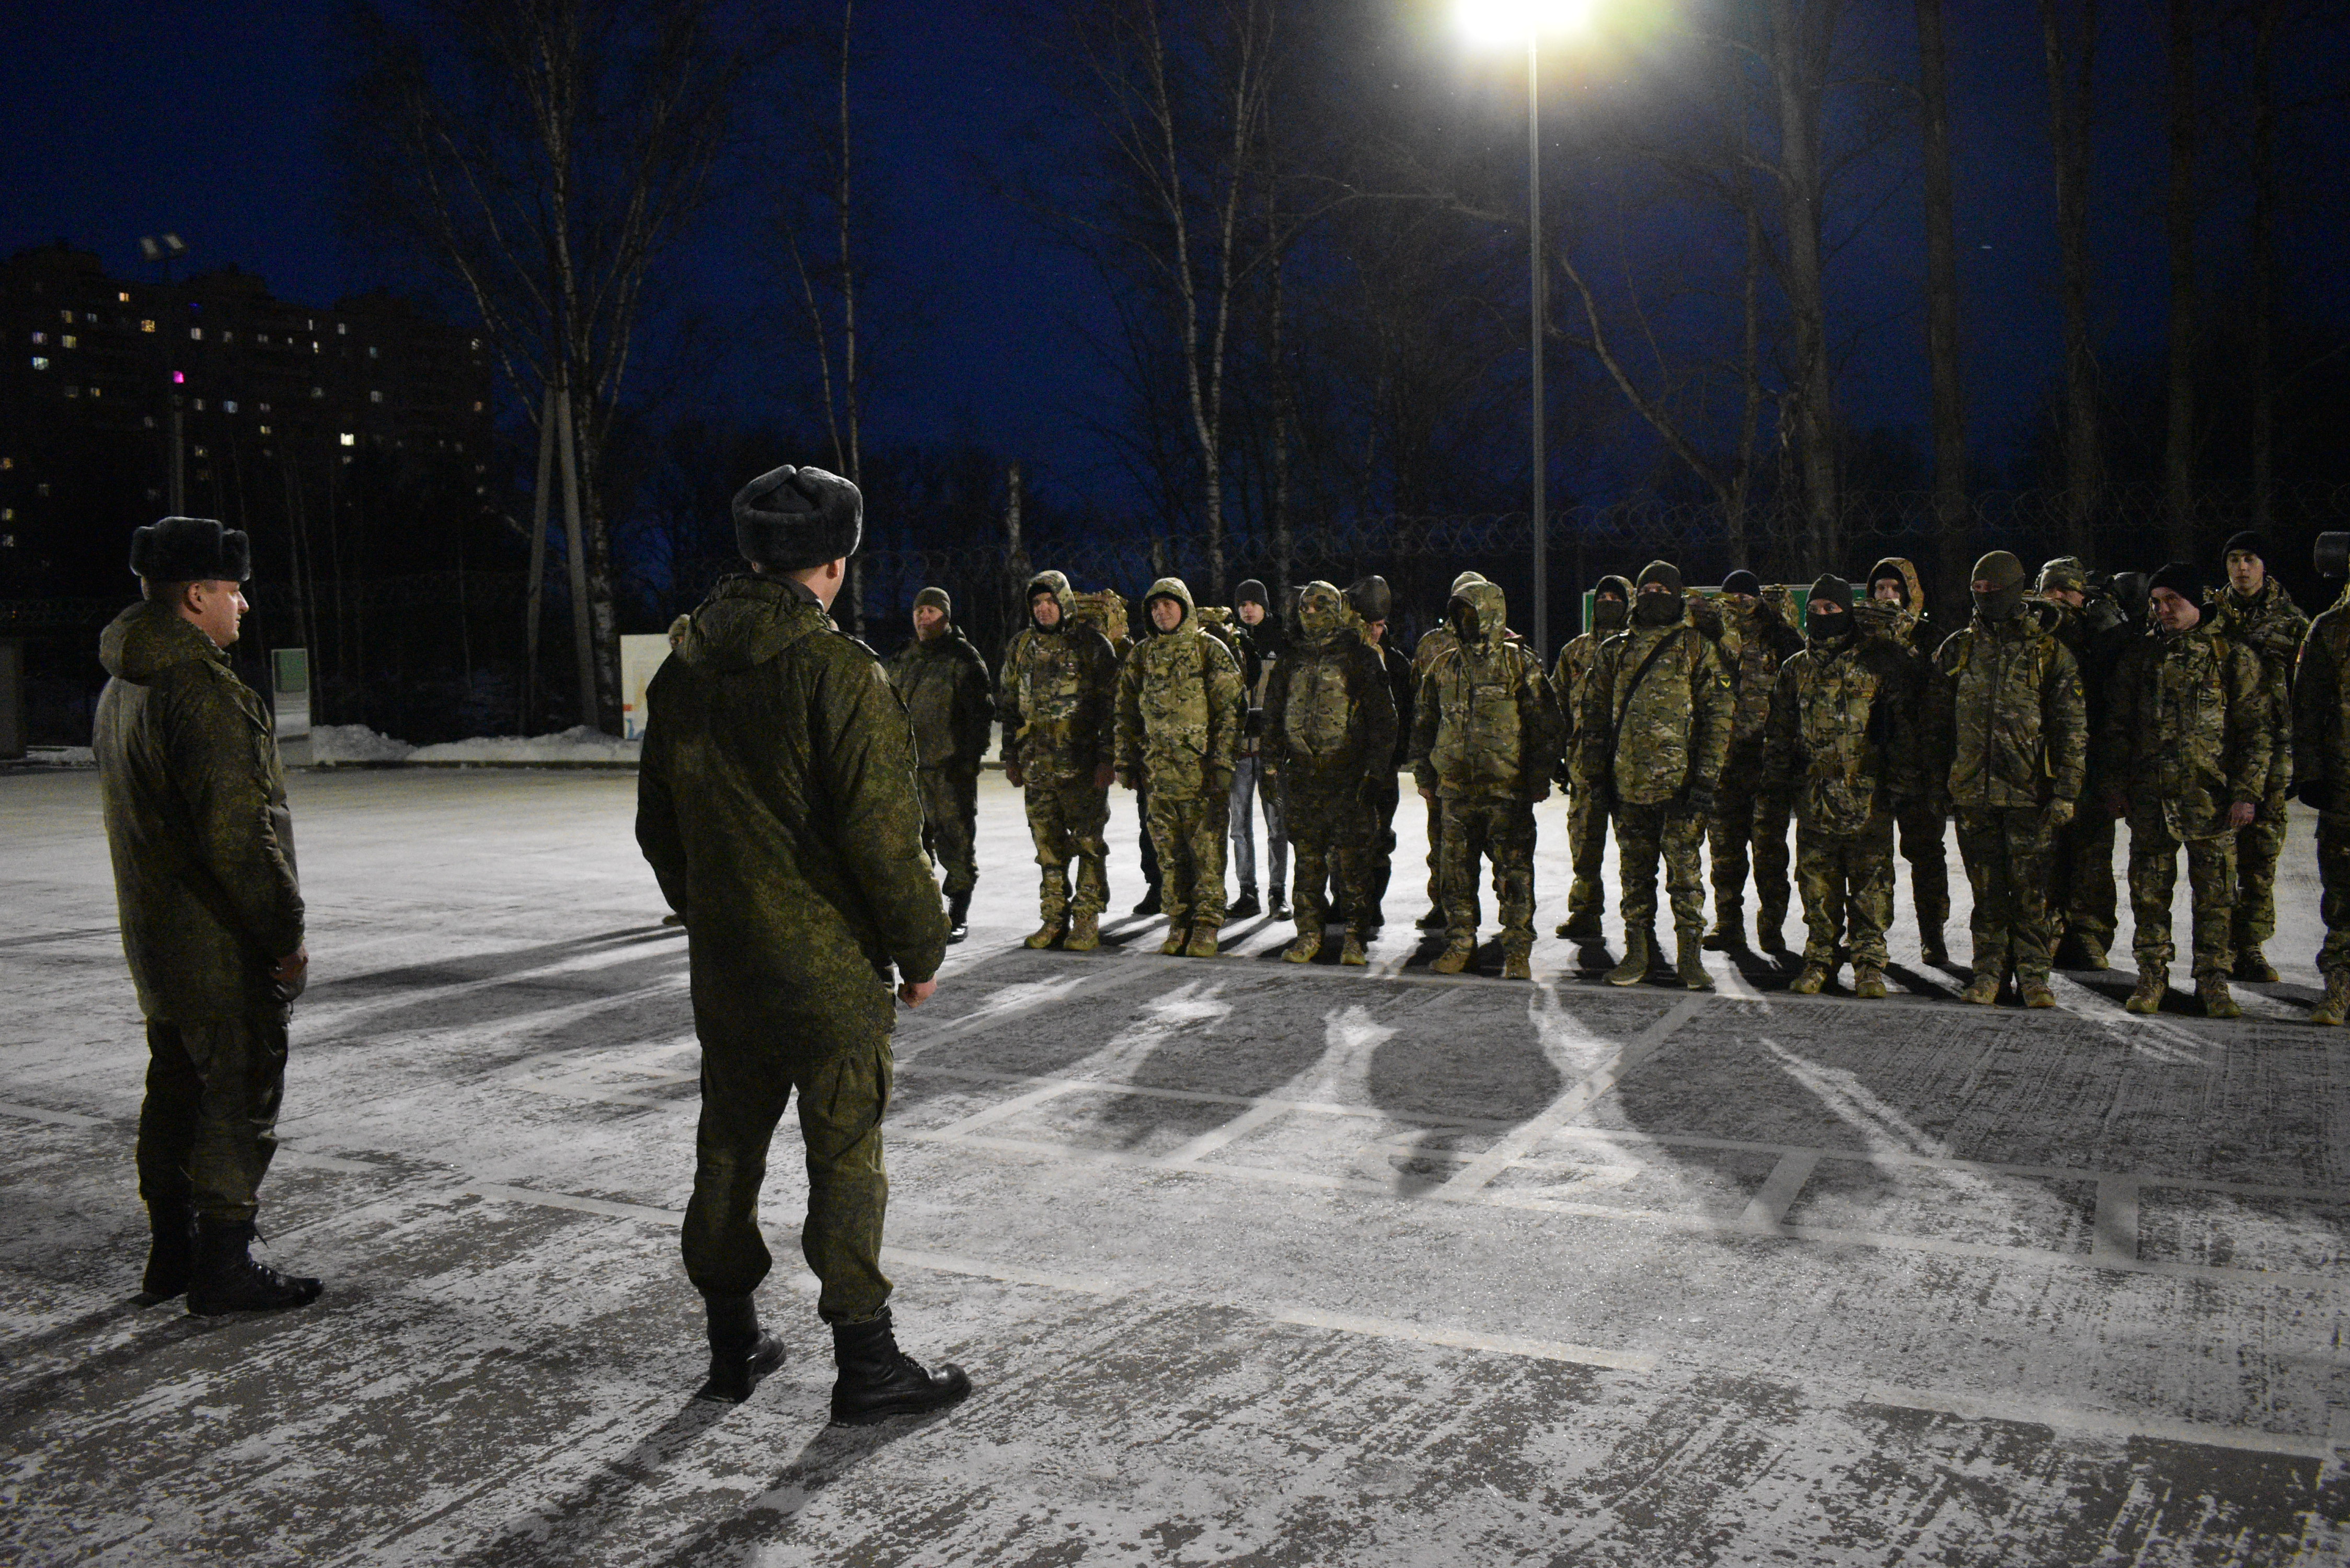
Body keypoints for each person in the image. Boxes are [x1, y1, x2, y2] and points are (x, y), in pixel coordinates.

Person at [637, 463, 968, 1422]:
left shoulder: (682, 670)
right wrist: (921, 951)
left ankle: (732, 1341)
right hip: (828, 976)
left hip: (728, 971)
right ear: (835, 561)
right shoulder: (839, 672)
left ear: (751, 555)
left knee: (727, 1152)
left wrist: (715, 913)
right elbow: (884, 838)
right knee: (846, 1160)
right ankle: (867, 1364)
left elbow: (659, 828)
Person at [93, 516, 319, 1317]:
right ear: (196, 595)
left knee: (176, 1087)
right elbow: (239, 838)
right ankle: (224, 1263)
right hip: (216, 941)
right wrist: (284, 936)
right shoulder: (202, 692)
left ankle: (172, 1253)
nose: (243, 606)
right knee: (236, 1091)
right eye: (233, 591)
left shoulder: (125, 685)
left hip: (156, 937)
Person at [2102, 563, 2266, 1018]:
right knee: (2149, 895)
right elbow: (2117, 727)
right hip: (2151, 799)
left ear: (2197, 601)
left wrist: (2247, 792)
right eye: (2156, 602)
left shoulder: (2231, 656)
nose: (2163, 609)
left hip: (2211, 800)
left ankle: (2213, 982)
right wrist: (2115, 785)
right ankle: (2152, 976)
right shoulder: (2140, 657)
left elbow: (2256, 731)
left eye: (2173, 599)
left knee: (2216, 898)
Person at [1927, 550, 2087, 1008]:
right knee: (1987, 893)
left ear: (2016, 590)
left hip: (2029, 794)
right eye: (1978, 590)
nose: (1986, 597)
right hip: (1973, 794)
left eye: (1994, 589)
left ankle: (2034, 977)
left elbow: (2071, 726)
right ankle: (1988, 974)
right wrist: (1938, 783)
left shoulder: (2048, 652)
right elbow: (1936, 725)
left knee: (2032, 894)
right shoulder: (1958, 649)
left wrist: (2066, 791)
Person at [1765, 577, 1923, 998]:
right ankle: (1820, 960)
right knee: (1817, 887)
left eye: (1831, 609)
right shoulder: (1795, 669)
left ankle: (1869, 963)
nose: (1822, 616)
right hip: (1814, 799)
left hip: (1867, 798)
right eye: (1815, 610)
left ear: (1847, 613)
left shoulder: (1877, 664)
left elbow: (1902, 730)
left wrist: (1902, 785)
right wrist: (1777, 783)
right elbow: (1779, 733)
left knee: (1872, 886)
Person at [1576, 561, 1732, 990]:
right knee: (1635, 878)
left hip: (1680, 788)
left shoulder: (1696, 647)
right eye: (1646, 589)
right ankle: (1637, 953)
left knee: (1686, 878)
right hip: (1628, 786)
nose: (1653, 596)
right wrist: (1596, 777)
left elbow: (1719, 716)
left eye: (1663, 590)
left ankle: (1690, 958)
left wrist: (1706, 780)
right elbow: (1594, 718)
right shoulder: (1615, 651)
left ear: (1678, 596)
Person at [1411, 578, 1559, 978]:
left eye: (1473, 613)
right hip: (1456, 792)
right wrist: (1425, 774)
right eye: (1460, 614)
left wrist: (1538, 778)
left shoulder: (1518, 663)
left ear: (1492, 614)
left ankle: (1517, 950)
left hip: (1506, 791)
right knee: (1456, 875)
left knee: (1514, 873)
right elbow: (1424, 725)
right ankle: (1461, 943)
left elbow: (1546, 725)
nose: (1467, 621)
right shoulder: (1445, 667)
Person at [1264, 581, 1399, 966]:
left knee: (1354, 863)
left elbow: (1384, 720)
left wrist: (1375, 773)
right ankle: (1309, 933)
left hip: (1348, 779)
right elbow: (1273, 715)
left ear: (1337, 611)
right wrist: (1271, 767)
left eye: (1319, 607)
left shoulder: (1359, 657)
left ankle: (1355, 937)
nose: (1310, 613)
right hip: (1303, 777)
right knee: (1307, 863)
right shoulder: (1291, 659)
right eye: (1305, 607)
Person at [1117, 578, 1247, 956]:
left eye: (1168, 605)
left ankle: (1206, 924)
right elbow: (1125, 712)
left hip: (1201, 775)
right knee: (1169, 855)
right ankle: (1179, 921)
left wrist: (1222, 763)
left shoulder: (1209, 650)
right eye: (1155, 608)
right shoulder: (1142, 656)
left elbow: (1229, 712)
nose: (1161, 613)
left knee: (1206, 854)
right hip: (1158, 776)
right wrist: (1126, 760)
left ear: (1185, 607)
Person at [2204, 532, 2308, 982]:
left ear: (2264, 565)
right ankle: (2218, 949)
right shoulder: (2209, 616)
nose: (2242, 568)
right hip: (2217, 750)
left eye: (2249, 559)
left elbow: (2310, 694)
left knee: (2260, 857)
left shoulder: (2293, 622)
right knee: (2216, 858)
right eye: (2234, 560)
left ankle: (2250, 946)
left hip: (2275, 754)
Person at [998, 571, 1121, 951]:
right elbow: (1009, 706)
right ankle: (1053, 918)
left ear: (1064, 602)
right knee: (1048, 850)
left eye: (1050, 601)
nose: (1044, 608)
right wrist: (1010, 756)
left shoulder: (1092, 646)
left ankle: (1086, 919)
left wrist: (1107, 759)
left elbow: (1111, 708)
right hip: (1037, 768)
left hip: (1082, 768)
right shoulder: (1021, 647)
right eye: (1037, 603)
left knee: (1088, 845)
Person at [2034, 556, 2133, 970]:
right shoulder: (2032, 633)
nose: (2058, 598)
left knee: (2092, 853)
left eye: (2067, 590)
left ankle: (2090, 935)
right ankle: (2049, 933)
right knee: (2045, 856)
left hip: (2091, 762)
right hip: (2041, 764)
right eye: (2050, 589)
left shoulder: (2100, 636)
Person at [884, 587, 994, 943]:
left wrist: (968, 760)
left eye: (931, 611)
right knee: (911, 844)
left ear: (946, 617)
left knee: (955, 842)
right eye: (919, 611)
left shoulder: (962, 658)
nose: (923, 617)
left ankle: (958, 911)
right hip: (907, 769)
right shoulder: (902, 658)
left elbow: (980, 715)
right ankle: (923, 911)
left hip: (948, 769)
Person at [1704, 569, 1804, 952]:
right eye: (1733, 595)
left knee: (1769, 853)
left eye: (1747, 594)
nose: (1740, 601)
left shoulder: (1780, 636)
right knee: (1725, 852)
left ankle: (1771, 928)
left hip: (1767, 764)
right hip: (1725, 764)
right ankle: (1728, 925)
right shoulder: (1713, 637)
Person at [1863, 557, 1952, 963]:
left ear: (1912, 593)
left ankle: (1933, 934)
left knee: (1926, 853)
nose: (1887, 595)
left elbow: (1942, 699)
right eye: (1880, 588)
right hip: (1870, 766)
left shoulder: (1931, 638)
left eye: (1896, 589)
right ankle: (1870, 934)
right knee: (1870, 857)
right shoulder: (1859, 639)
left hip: (1917, 766)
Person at [1552, 576, 1632, 941]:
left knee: (1635, 851)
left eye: (1617, 598)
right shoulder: (1575, 651)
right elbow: (1556, 705)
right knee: (1584, 843)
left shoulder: (1638, 649)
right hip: (1584, 766)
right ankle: (1585, 912)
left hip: (1629, 766)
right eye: (1604, 597)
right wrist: (1556, 754)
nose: (1608, 603)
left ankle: (1638, 923)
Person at [1413, 571, 1491, 931]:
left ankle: (1509, 915)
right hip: (1444, 765)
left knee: (1496, 846)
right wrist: (1422, 767)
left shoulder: (1503, 645)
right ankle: (1443, 905)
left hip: (1491, 767)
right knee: (1442, 843)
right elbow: (1420, 707)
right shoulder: (1432, 645)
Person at [2295, 545, 2350, 1025]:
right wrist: (2311, 772)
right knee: (2343, 896)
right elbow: (2307, 706)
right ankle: (2339, 988)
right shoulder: (2331, 628)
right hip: (2344, 784)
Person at [1346, 575, 1415, 931]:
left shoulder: (1397, 664)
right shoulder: (1346, 660)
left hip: (1383, 769)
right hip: (1347, 766)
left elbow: (1405, 715)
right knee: (1344, 840)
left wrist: (1394, 757)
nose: (1375, 631)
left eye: (1380, 625)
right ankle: (1344, 902)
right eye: (1369, 625)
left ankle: (1372, 904)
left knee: (1378, 838)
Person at [1227, 579, 1289, 921]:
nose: (1247, 610)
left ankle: (1278, 891)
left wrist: (1271, 726)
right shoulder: (1230, 642)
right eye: (1242, 604)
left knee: (1277, 824)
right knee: (1239, 824)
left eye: (1253, 603)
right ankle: (1246, 890)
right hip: (1238, 750)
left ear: (1264, 606)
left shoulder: (1281, 641)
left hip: (1271, 751)